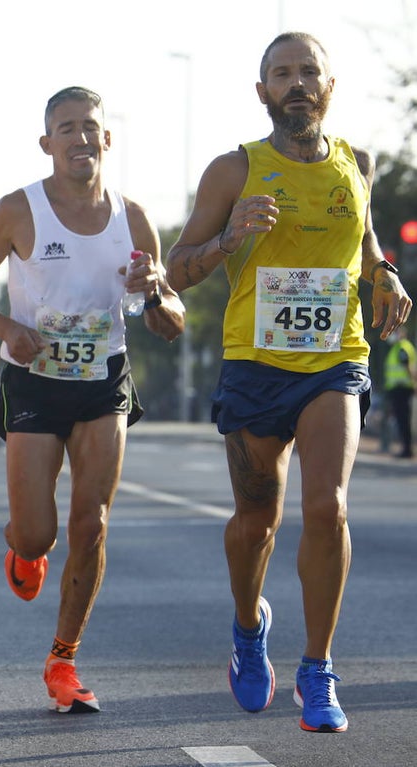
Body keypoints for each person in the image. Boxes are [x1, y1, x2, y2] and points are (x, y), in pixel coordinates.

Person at [166, 32, 412, 733]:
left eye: (309, 72)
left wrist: (385, 273)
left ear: (329, 88)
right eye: (282, 73)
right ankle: (248, 628)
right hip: (255, 362)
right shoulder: (233, 170)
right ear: (262, 91)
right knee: (255, 521)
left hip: (336, 357)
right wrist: (227, 238)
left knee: (328, 507)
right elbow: (178, 267)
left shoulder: (356, 164)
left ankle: (318, 668)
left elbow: (366, 249)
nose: (296, 83)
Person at [0, 86, 184, 716]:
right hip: (34, 382)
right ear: (47, 143)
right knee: (36, 533)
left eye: (91, 128)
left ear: (108, 139)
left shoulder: (133, 218)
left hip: (104, 381)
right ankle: (24, 549)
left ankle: (64, 658)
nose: (81, 138)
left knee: (93, 523)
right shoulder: (18, 211)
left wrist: (157, 292)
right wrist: (6, 330)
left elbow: (169, 321)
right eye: (66, 128)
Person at [383, 328, 416, 458]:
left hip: (401, 388)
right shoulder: (398, 347)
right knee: (402, 420)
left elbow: (408, 367)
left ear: (402, 333)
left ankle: (407, 450)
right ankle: (406, 448)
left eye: (395, 332)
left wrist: (414, 384)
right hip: (398, 389)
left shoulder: (402, 347)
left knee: (403, 420)